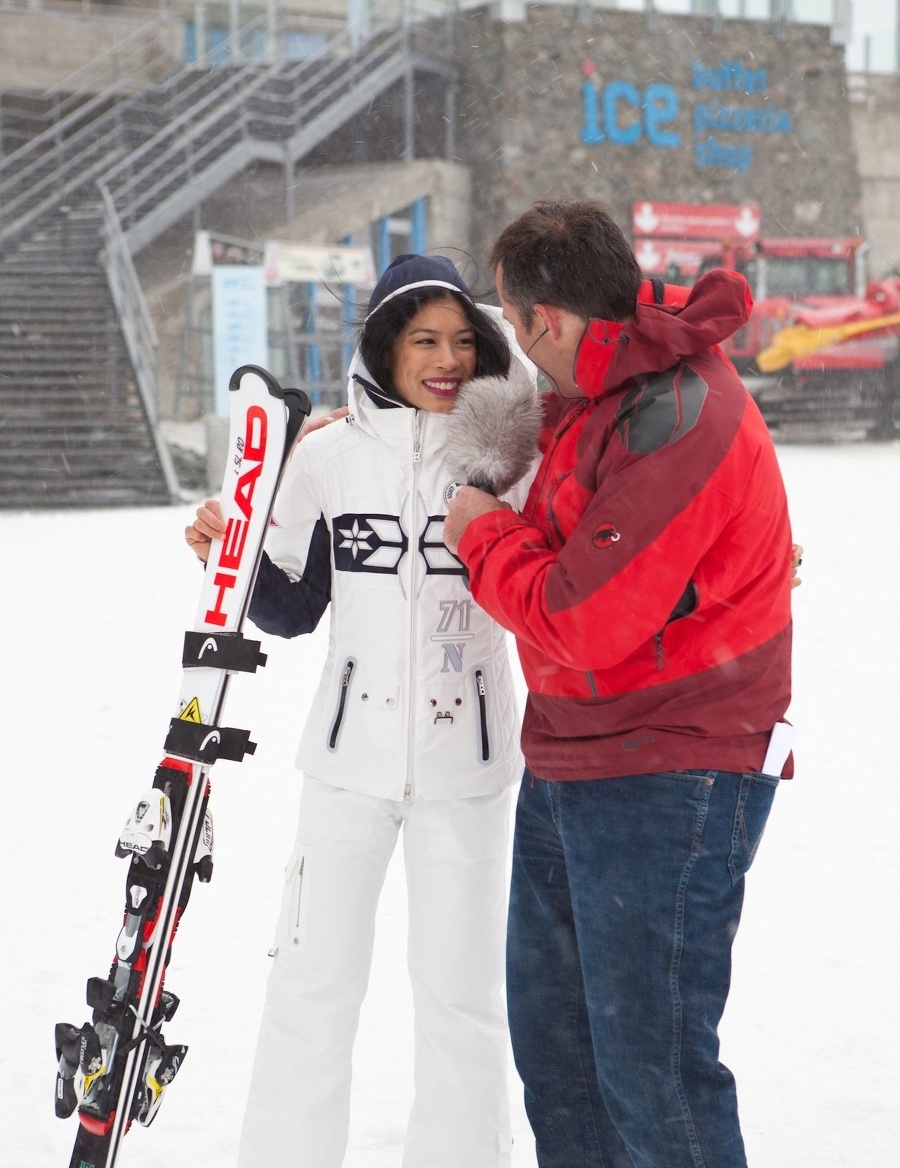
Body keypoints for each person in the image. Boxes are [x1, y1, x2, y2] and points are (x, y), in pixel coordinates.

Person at [443, 199, 795, 1168]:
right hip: (575, 759)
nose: (515, 343)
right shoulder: (601, 393)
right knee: (563, 1061)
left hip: (671, 770)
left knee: (654, 1077)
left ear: (549, 319)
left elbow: (583, 616)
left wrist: (479, 529)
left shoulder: (678, 415)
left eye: (516, 323)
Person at [185, 254, 533, 1168]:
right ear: (386, 346)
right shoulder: (329, 455)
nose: (446, 358)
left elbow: (561, 577)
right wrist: (233, 553)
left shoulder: (507, 460)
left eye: (463, 339)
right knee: (311, 986)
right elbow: (292, 609)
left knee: (459, 997)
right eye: (424, 340)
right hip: (346, 763)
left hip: (470, 765)